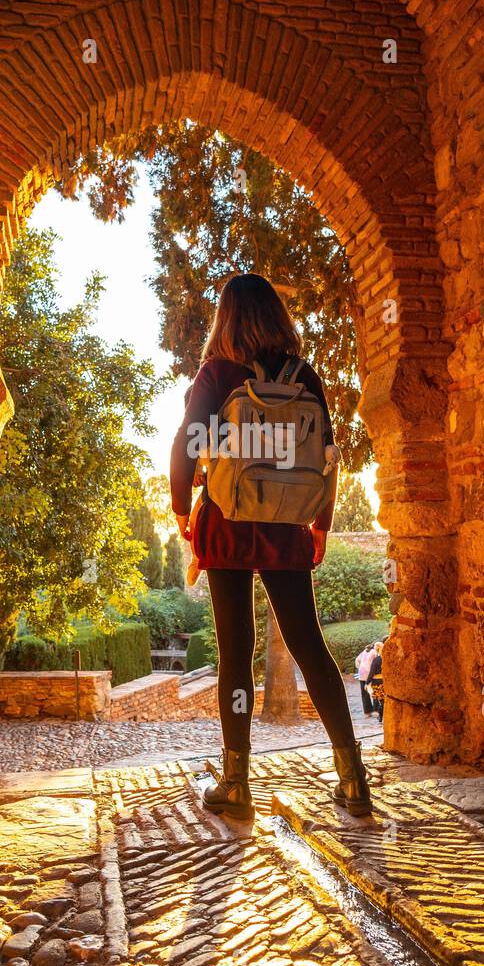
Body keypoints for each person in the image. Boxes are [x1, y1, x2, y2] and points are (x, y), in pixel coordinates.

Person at [170, 273, 372, 820]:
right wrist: (321, 524)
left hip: (228, 520)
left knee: (236, 651)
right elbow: (329, 455)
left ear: (227, 318)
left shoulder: (217, 373)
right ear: (277, 316)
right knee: (310, 644)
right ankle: (353, 779)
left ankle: (236, 782)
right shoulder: (306, 376)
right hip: (287, 524)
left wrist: (181, 510)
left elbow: (187, 442)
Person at [355, 641, 378, 715]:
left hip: (361, 674)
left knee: (364, 693)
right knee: (374, 690)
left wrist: (359, 668)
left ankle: (367, 710)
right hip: (370, 673)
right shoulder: (374, 652)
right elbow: (377, 661)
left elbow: (357, 660)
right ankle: (376, 709)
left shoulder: (364, 651)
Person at [365, 642, 385, 719]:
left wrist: (367, 683)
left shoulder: (376, 660)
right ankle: (382, 715)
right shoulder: (387, 658)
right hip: (386, 681)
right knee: (385, 700)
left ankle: (380, 716)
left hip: (377, 682)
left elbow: (371, 672)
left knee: (381, 700)